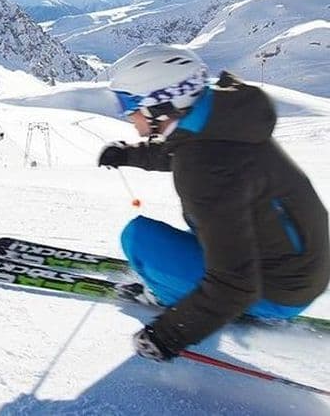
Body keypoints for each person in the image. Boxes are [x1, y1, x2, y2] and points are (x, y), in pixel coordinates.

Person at [98, 43, 329, 362]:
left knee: (139, 239)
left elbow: (235, 284)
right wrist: (130, 154)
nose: (126, 114)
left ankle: (167, 295)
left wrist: (167, 334)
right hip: (298, 266)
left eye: (128, 103)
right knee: (203, 229)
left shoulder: (206, 170)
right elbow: (186, 148)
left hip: (276, 290)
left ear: (160, 106)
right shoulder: (224, 118)